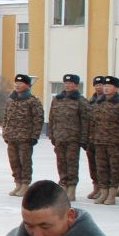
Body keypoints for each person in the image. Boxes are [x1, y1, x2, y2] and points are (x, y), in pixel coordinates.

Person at [48, 73, 88, 201]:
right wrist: (52, 135)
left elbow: (85, 121)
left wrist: (83, 138)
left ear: (76, 85)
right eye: (66, 83)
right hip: (59, 137)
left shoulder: (80, 101)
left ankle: (71, 188)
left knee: (72, 164)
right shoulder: (57, 99)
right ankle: (63, 186)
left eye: (70, 83)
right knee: (61, 163)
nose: (68, 85)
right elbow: (51, 118)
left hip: (73, 138)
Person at [3, 74, 44, 196]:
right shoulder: (11, 99)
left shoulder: (32, 101)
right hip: (11, 137)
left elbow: (38, 119)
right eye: (16, 83)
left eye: (20, 83)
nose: (17, 85)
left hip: (25, 137)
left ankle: (25, 184)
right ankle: (18, 184)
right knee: (14, 162)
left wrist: (34, 136)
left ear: (27, 85)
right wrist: (5, 132)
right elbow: (5, 117)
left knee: (25, 162)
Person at [89, 77, 119, 205]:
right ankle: (103, 191)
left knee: (114, 169)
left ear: (116, 88)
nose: (105, 88)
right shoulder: (98, 103)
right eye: (104, 85)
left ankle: (111, 194)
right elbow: (92, 123)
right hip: (99, 142)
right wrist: (91, 139)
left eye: (109, 86)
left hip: (115, 143)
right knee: (101, 168)